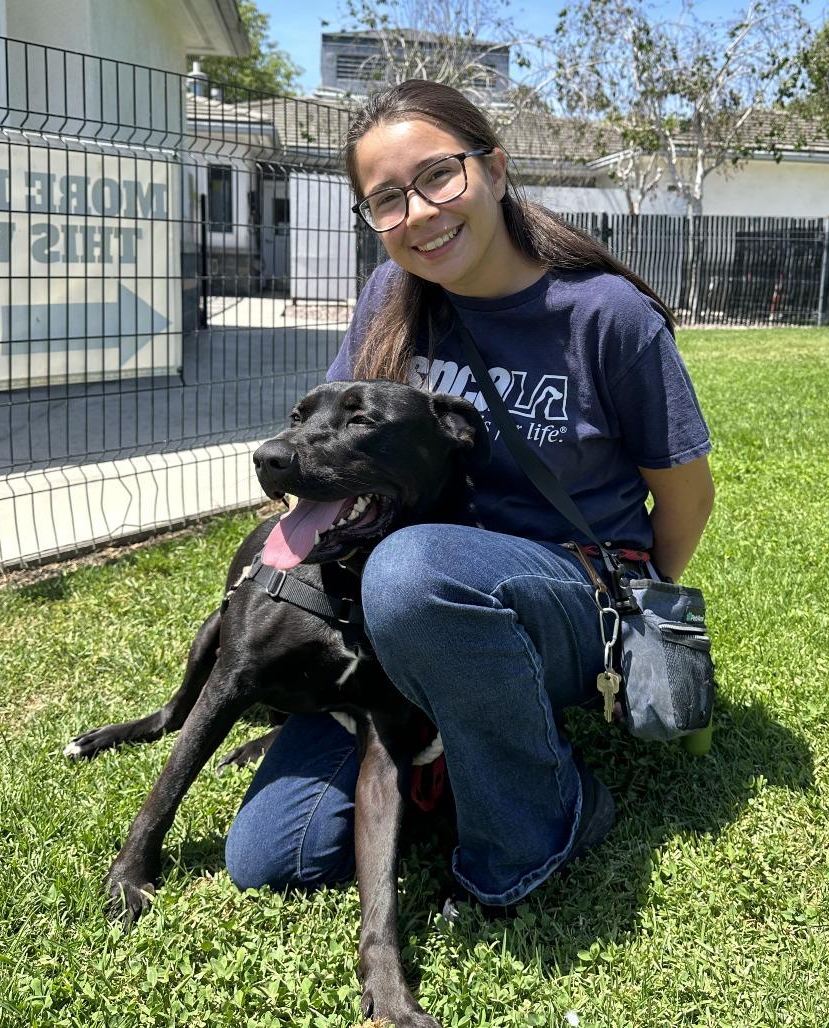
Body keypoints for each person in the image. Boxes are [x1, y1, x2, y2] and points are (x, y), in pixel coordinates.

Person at [224, 80, 714, 912]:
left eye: (438, 178)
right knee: (279, 855)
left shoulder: (604, 317)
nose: (416, 213)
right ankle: (441, 707)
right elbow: (336, 450)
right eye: (385, 199)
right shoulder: (390, 298)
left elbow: (687, 499)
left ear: (493, 168)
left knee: (417, 573)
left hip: (559, 588)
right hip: (402, 598)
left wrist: (621, 617)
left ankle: (540, 818)